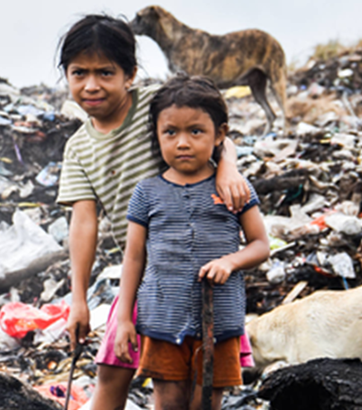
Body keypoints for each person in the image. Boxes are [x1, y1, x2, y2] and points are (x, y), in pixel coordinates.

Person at [56, 15, 250, 410]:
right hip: (140, 277)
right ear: (67, 76)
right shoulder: (78, 148)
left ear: (130, 75)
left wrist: (227, 164)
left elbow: (212, 128)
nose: (91, 85)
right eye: (79, 73)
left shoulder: (154, 106)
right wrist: (78, 299)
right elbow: (84, 222)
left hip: (189, 270)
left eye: (105, 72)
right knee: (111, 375)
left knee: (192, 389)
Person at [114, 74, 270, 410]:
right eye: (171, 132)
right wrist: (124, 318)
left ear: (220, 134)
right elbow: (134, 258)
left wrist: (230, 262)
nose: (182, 142)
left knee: (205, 404)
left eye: (195, 131)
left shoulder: (235, 188)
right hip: (161, 319)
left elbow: (260, 245)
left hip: (219, 322)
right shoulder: (146, 192)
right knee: (168, 403)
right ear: (157, 135)